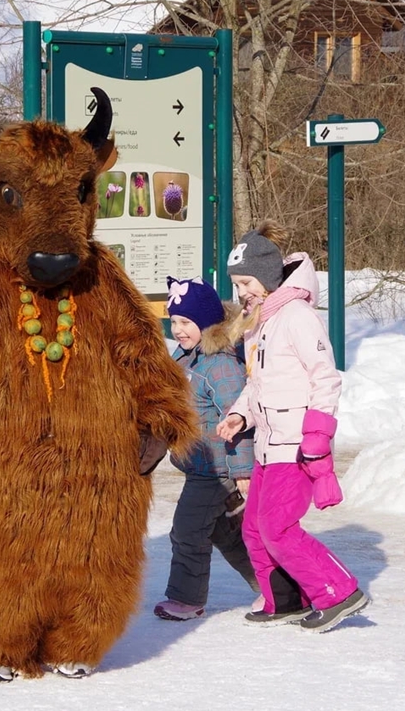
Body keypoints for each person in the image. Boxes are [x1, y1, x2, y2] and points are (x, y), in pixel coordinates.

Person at [217, 221, 369, 633]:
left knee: (278, 527)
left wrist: (317, 434)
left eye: (247, 281)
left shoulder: (297, 316)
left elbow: (326, 376)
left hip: (297, 443)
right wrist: (239, 414)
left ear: (266, 277)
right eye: (238, 283)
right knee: (254, 526)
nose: (242, 291)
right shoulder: (259, 323)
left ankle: (338, 591)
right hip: (268, 443)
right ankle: (284, 600)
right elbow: (257, 382)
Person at [153, 276, 260, 621]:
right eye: (174, 321)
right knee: (225, 534)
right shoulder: (188, 359)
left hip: (217, 471)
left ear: (206, 322)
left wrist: (244, 471)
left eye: (186, 322)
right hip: (201, 466)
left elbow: (238, 420)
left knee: (186, 531)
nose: (179, 329)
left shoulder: (220, 365)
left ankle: (186, 599)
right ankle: (277, 588)